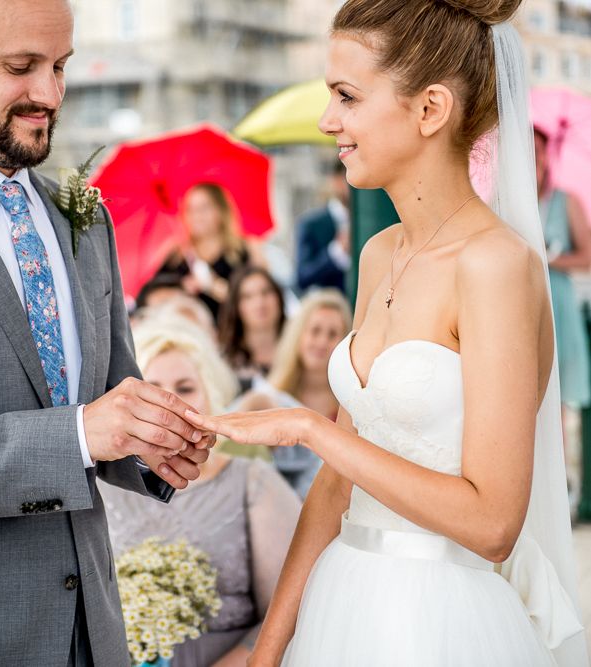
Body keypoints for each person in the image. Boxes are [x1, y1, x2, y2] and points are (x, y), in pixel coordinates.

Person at [185, 1, 588, 665]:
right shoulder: (376, 253)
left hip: (442, 621)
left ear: (430, 109)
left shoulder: (494, 264)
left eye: (346, 96)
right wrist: (268, 650)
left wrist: (311, 430)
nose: (326, 122)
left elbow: (492, 524)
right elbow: (335, 486)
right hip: (342, 599)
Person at [0, 1, 214, 665]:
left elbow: (110, 398)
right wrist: (82, 432)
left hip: (93, 629)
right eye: (21, 67)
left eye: (60, 66)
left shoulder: (83, 214)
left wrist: (155, 443)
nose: (48, 94)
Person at [99, 315, 301, 667]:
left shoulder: (252, 482)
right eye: (154, 388)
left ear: (211, 395)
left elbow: (288, 614)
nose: (169, 404)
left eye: (186, 387)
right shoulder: (101, 482)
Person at [238, 289, 352, 497]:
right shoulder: (267, 398)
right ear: (298, 335)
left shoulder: (352, 410)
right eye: (315, 331)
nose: (322, 342)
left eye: (332, 334)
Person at [535, 126, 591, 411]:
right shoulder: (502, 199)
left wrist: (549, 259)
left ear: (547, 156)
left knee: (559, 404)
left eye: (538, 151)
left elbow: (588, 257)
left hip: (559, 304)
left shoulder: (566, 201)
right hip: (525, 302)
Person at [154, 182, 263, 319]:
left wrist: (212, 285)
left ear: (220, 211)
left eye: (203, 208)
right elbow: (151, 296)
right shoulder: (177, 256)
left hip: (230, 332)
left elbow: (253, 299)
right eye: (190, 209)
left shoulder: (241, 252)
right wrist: (182, 290)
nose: (196, 216)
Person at [218, 266, 287, 392]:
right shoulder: (224, 362)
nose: (260, 303)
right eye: (247, 297)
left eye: (266, 292)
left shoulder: (302, 349)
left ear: (279, 297)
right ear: (236, 306)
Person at [295, 159, 352, 297]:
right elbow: (302, 278)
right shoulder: (311, 224)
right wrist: (336, 251)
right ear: (336, 180)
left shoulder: (372, 221)